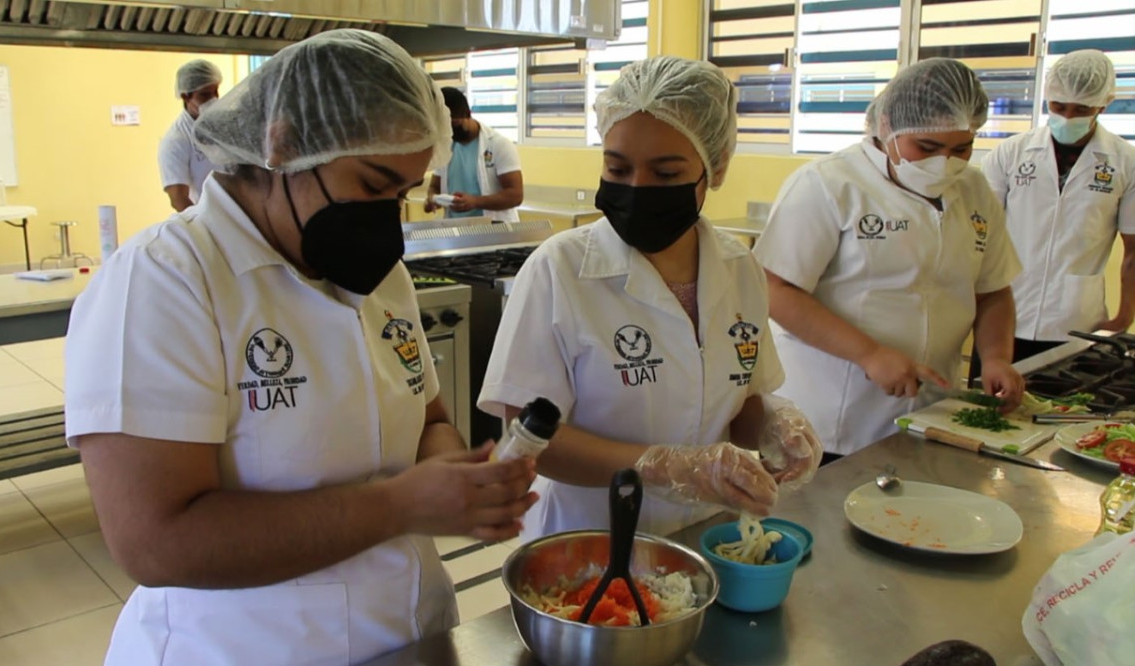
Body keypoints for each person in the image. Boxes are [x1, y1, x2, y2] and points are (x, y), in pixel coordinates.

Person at [64, 30, 537, 666]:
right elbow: (154, 542)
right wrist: (402, 504)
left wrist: (456, 476)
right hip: (246, 650)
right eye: (372, 185)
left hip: (409, 635)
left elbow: (426, 419)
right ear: (283, 144)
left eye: (400, 193)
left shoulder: (379, 275)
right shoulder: (164, 279)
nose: (386, 218)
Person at [478, 57, 823, 542]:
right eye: (617, 167)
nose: (637, 189)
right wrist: (659, 466)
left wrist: (775, 426)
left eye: (665, 174)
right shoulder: (560, 269)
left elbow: (740, 402)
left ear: (715, 167)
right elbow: (530, 442)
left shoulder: (738, 268)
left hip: (705, 537)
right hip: (589, 542)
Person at [753, 58, 1026, 458]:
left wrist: (997, 358)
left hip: (930, 412)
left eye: (961, 148)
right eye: (927, 147)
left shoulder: (973, 188)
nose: (943, 162)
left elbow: (993, 290)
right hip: (828, 420)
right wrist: (869, 354)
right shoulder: (829, 184)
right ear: (886, 126)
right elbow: (774, 289)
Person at [981, 49, 1135, 370]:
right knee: (986, 411)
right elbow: (980, 233)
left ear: (1103, 104)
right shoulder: (1011, 153)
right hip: (1004, 311)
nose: (1067, 117)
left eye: (1081, 109)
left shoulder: (1126, 163)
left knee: (1061, 410)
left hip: (1077, 318)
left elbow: (1133, 248)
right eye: (1058, 106)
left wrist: (1124, 316)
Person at [423, 87, 524, 222]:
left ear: (468, 114)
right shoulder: (446, 145)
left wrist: (475, 202)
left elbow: (515, 195)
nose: (451, 132)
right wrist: (433, 198)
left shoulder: (499, 145)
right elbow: (434, 186)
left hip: (494, 229)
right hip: (455, 229)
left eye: (454, 125)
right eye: (445, 127)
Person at [158, 59, 222, 212]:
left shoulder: (223, 127)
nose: (213, 99)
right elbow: (178, 199)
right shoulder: (176, 140)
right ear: (186, 97)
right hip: (206, 217)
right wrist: (203, 227)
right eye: (205, 95)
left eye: (216, 92)